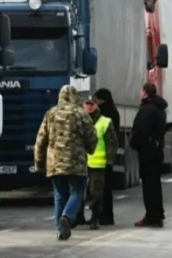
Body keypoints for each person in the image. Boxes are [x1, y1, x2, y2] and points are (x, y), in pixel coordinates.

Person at [34, 85, 97, 241]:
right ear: (75, 97)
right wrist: (90, 149)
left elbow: (41, 140)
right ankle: (67, 217)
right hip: (76, 162)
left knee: (60, 194)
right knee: (77, 191)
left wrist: (39, 162)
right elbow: (92, 138)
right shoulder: (81, 114)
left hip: (55, 162)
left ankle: (60, 230)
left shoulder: (51, 114)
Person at [130, 83, 168, 227]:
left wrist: (135, 144)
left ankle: (151, 216)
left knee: (149, 187)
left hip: (147, 152)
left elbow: (140, 130)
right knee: (155, 185)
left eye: (141, 90)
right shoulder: (160, 109)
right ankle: (157, 215)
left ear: (145, 93)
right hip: (157, 150)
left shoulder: (146, 110)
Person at [80, 95, 118, 230]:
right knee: (78, 191)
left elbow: (112, 143)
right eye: (87, 103)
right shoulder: (78, 121)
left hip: (98, 164)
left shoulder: (105, 122)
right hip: (80, 164)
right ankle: (78, 217)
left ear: (97, 106)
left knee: (96, 193)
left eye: (92, 104)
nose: (89, 106)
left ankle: (95, 218)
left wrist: (109, 160)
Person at [93, 88, 121, 225]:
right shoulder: (114, 112)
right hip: (106, 157)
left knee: (101, 189)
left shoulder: (104, 114)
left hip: (101, 157)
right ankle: (106, 215)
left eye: (97, 99)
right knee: (105, 188)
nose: (95, 103)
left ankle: (104, 215)